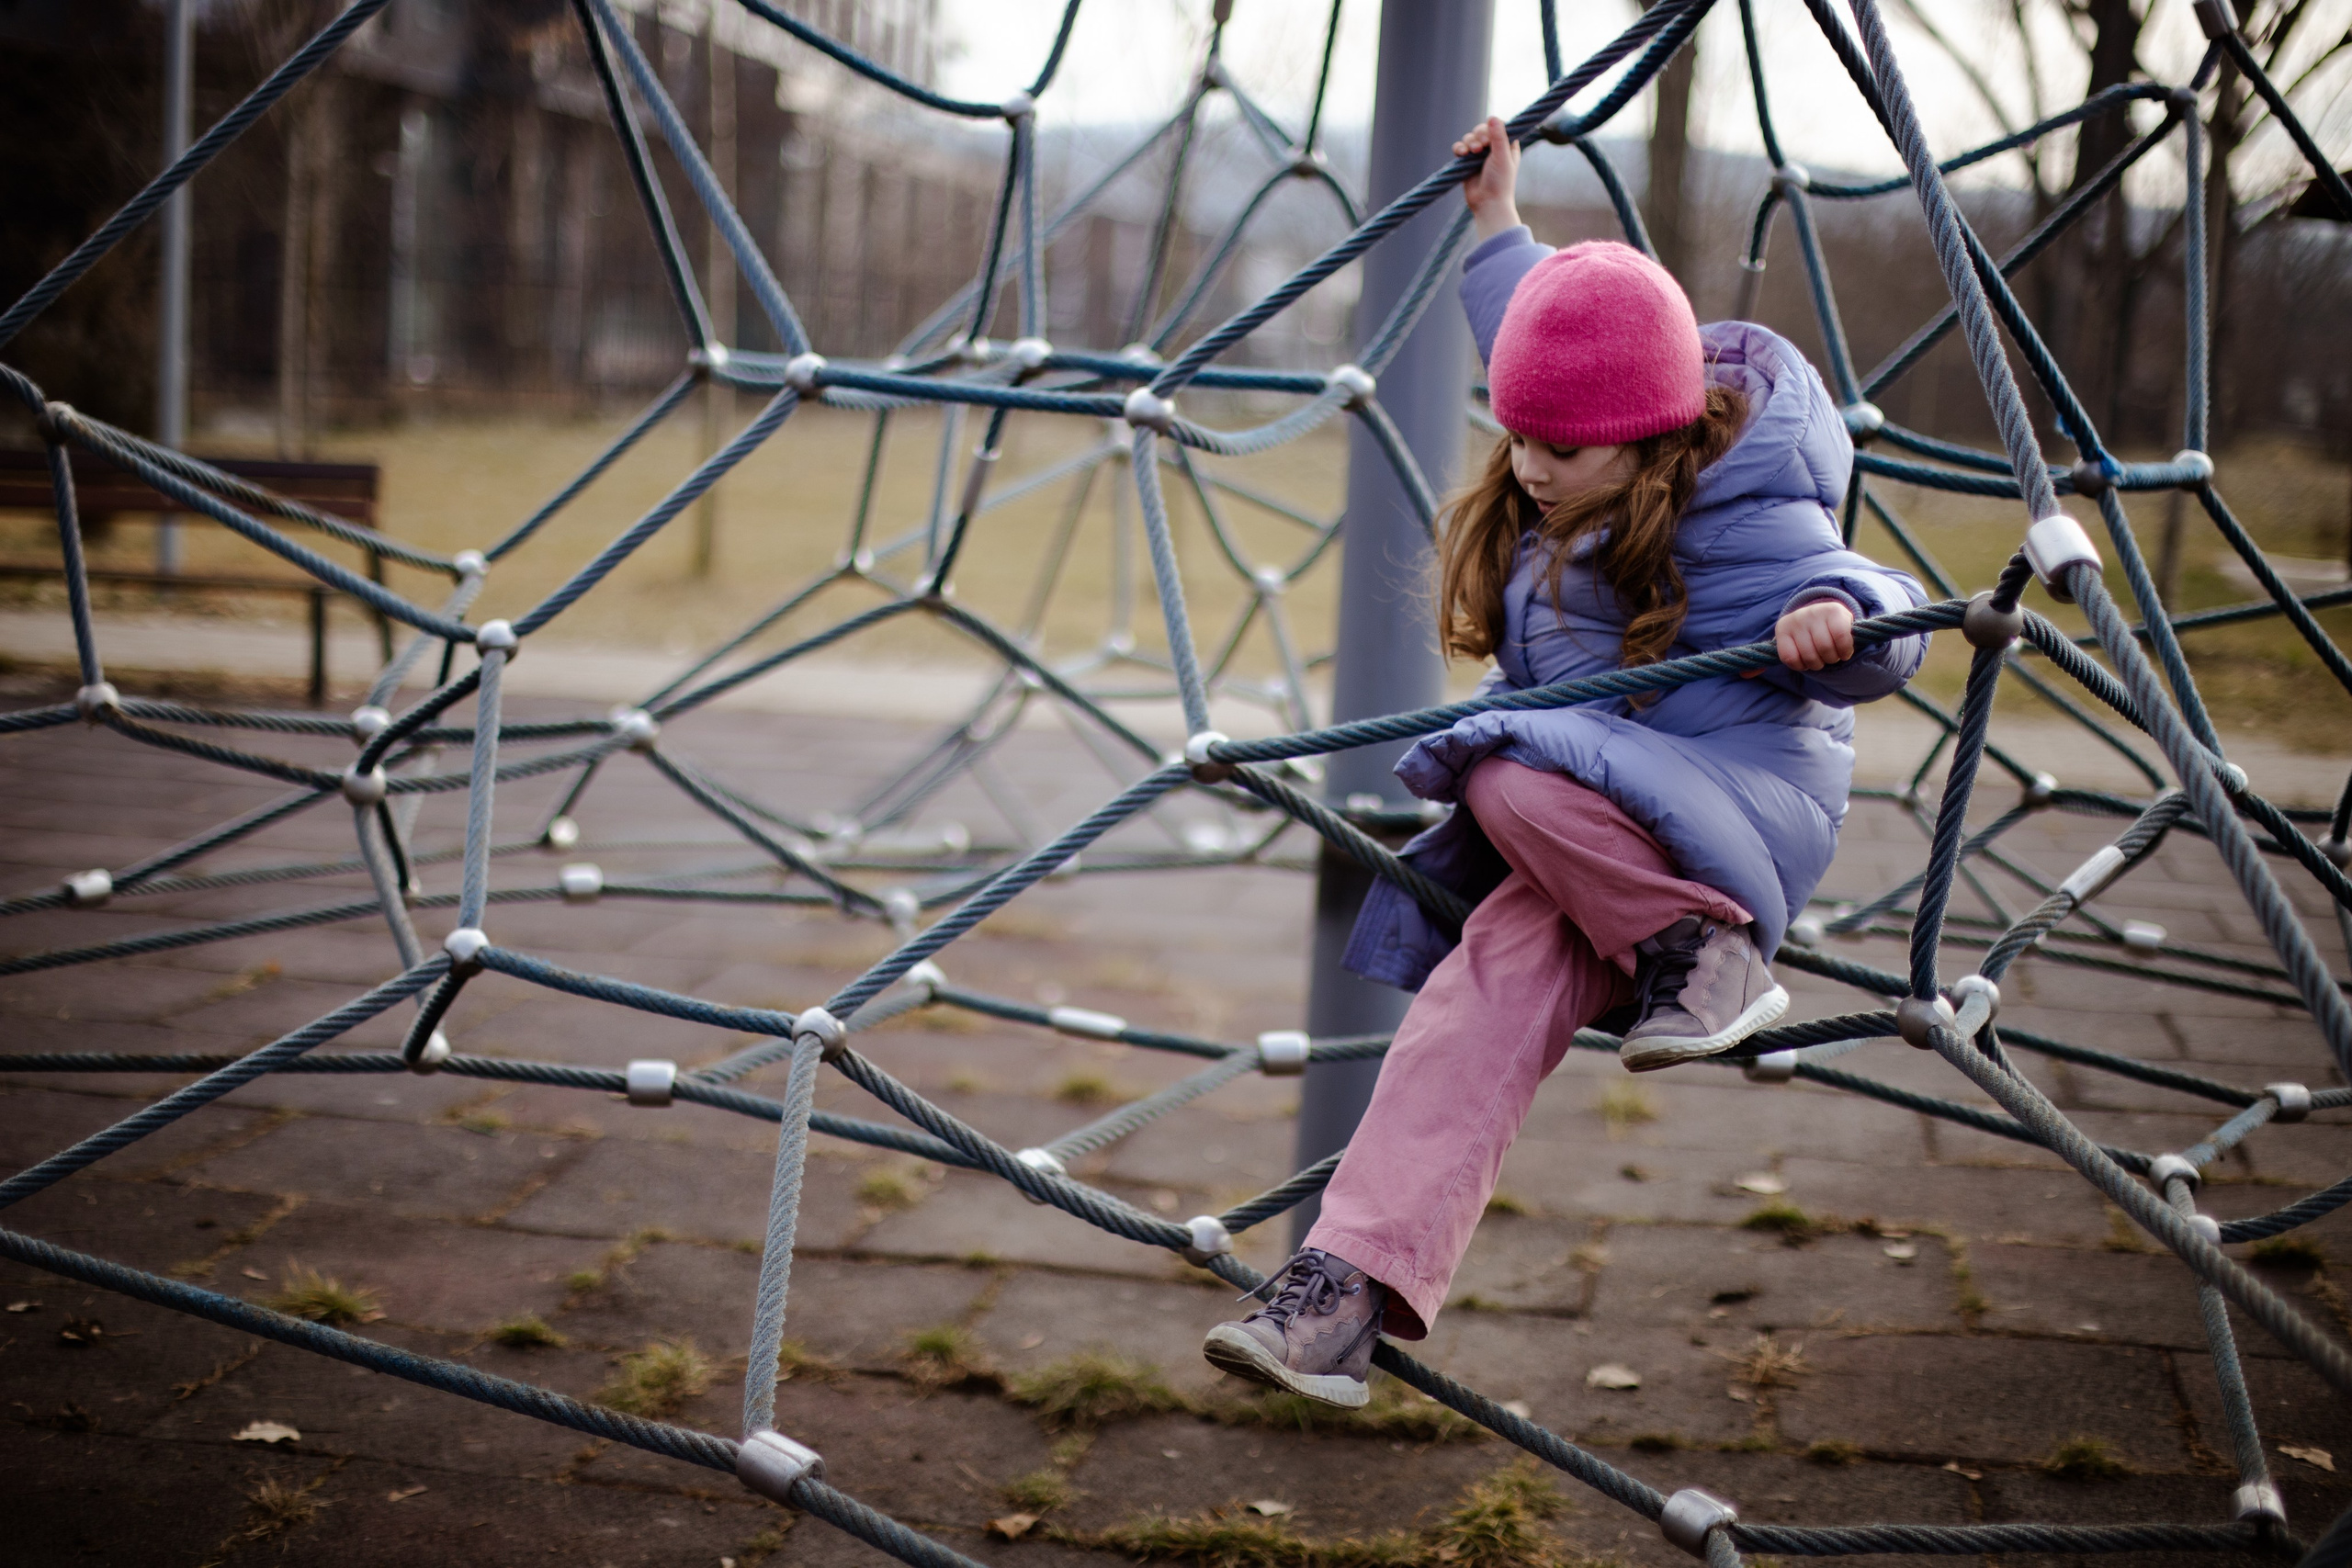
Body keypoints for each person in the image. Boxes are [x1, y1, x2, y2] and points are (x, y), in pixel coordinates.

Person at [1200, 117, 1932, 1410]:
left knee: (1499, 771)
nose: (1532, 469)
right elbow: (1535, 328)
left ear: (1649, 436)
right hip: (1598, 838)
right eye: (1517, 437)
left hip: (1733, 812)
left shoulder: (1743, 507)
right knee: (1465, 1012)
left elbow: (1883, 609)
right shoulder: (1577, 442)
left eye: (1562, 449)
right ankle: (1343, 1293)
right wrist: (1496, 222)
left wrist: (1841, 625)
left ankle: (1709, 949)